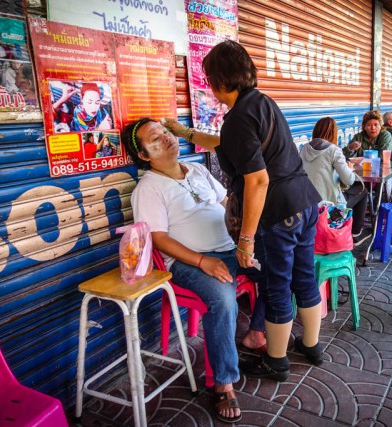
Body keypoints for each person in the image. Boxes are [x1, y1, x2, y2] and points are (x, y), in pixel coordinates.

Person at [163, 40, 324, 383]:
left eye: (208, 78)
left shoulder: (237, 119)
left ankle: (276, 362)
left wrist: (246, 240)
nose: (207, 85)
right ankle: (311, 346)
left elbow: (258, 181)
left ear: (220, 80)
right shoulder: (262, 102)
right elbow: (227, 145)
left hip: (279, 212)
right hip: (306, 202)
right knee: (305, 277)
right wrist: (186, 133)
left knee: (277, 287)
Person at [121, 118, 242, 424]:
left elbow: (225, 201)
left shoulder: (197, 169)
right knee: (223, 300)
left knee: (277, 266)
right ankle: (223, 382)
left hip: (230, 249)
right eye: (155, 139)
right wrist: (203, 262)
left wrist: (244, 233)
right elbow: (158, 238)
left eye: (165, 133)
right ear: (144, 155)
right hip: (191, 263)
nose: (166, 139)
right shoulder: (149, 188)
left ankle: (255, 336)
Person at [299, 117, 369, 245]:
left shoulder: (304, 149)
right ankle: (354, 234)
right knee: (363, 191)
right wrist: (350, 169)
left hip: (308, 205)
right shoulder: (333, 150)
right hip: (330, 207)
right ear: (333, 133)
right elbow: (349, 180)